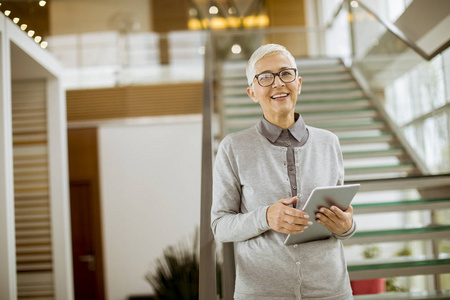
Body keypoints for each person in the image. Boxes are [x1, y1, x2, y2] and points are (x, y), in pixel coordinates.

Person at [211, 44, 356, 300]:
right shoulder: (233, 147)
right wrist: (266, 217)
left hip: (331, 291)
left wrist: (347, 226)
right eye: (265, 77)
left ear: (298, 83)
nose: (278, 83)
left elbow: (340, 218)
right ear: (252, 92)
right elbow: (221, 227)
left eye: (285, 73)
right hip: (262, 293)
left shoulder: (329, 142)